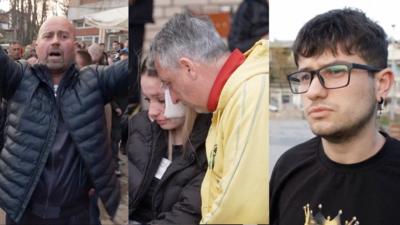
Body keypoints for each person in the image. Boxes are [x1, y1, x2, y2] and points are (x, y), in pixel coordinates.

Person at [270, 8, 400, 225]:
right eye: (305, 76)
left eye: (335, 71)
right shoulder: (288, 167)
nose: (313, 91)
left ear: (382, 84)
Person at [0, 16, 128, 224]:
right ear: (37, 45)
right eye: (48, 36)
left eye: (64, 36)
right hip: (23, 212)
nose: (56, 41)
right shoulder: (19, 77)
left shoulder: (94, 80)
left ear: (76, 46)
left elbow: (136, 68)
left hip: (76, 215)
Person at [149, 13, 269, 224]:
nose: (174, 98)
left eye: (169, 84)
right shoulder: (228, 100)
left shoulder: (247, 95)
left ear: (188, 68)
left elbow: (240, 211)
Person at [128, 57, 210, 224]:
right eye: (147, 100)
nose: (152, 111)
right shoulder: (139, 125)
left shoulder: (211, 145)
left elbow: (187, 215)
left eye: (161, 100)